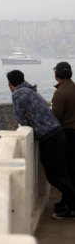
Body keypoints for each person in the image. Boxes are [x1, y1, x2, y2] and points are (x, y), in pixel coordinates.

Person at [7, 70, 75, 219]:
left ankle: (73, 205)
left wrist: (28, 124)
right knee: (63, 174)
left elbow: (20, 118)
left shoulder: (17, 93)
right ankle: (67, 205)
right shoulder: (31, 89)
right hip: (58, 133)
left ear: (10, 84)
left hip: (49, 138)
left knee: (54, 176)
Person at [51, 62, 75, 213]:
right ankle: (66, 201)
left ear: (57, 74)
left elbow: (56, 117)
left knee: (67, 171)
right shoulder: (73, 88)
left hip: (68, 134)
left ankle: (71, 206)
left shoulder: (60, 93)